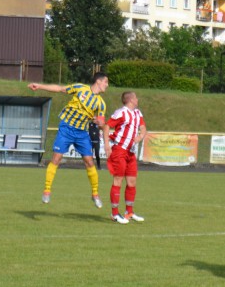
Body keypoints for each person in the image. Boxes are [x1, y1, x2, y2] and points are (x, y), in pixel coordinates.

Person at [30, 72, 109, 207]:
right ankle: (47, 191)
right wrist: (40, 86)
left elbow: (102, 123)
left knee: (90, 162)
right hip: (66, 128)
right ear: (99, 81)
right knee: (56, 158)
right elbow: (60, 89)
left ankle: (95, 194)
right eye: (106, 82)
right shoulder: (80, 88)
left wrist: (98, 122)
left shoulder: (101, 104)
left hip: (82, 133)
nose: (107, 85)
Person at [105, 91, 146, 224]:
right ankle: (114, 213)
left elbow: (143, 128)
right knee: (118, 180)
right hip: (119, 150)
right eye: (136, 97)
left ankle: (129, 212)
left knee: (132, 182)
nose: (137, 99)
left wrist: (139, 137)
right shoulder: (121, 112)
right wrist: (106, 145)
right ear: (131, 99)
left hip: (130, 152)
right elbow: (107, 126)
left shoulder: (137, 113)